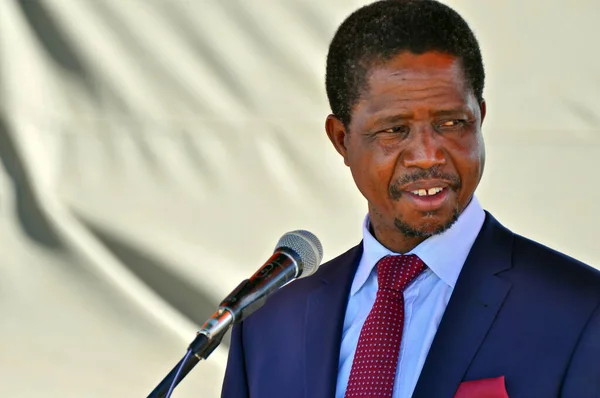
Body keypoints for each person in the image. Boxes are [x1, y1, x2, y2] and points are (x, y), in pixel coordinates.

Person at [221, 0, 600, 397]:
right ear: (341, 140)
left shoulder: (579, 312)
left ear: (480, 118)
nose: (428, 155)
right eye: (394, 130)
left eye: (451, 123)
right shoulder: (268, 328)